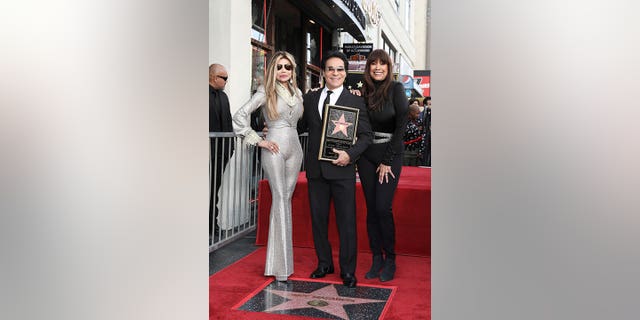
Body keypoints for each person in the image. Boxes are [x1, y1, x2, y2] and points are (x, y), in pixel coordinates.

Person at [298, 51, 373, 288]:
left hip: (342, 170)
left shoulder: (355, 101)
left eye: (340, 69)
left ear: (345, 72)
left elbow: (366, 136)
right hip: (316, 171)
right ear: (323, 72)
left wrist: (350, 154)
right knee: (319, 220)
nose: (335, 73)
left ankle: (348, 270)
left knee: (346, 222)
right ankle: (324, 263)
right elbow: (299, 126)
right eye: (331, 69)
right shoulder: (310, 99)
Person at [232, 51, 304, 283]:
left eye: (288, 67)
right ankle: (280, 267)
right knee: (280, 198)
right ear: (273, 69)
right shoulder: (266, 91)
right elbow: (240, 116)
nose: (284, 70)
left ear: (293, 70)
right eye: (279, 66)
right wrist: (258, 140)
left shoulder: (298, 93)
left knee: (285, 201)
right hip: (274, 148)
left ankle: (279, 263)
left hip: (295, 149)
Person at [358, 49, 409, 282]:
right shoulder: (365, 92)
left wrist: (387, 160)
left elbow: (401, 126)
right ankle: (376, 257)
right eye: (373, 64)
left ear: (389, 67)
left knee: (382, 208)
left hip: (390, 154)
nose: (378, 67)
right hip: (367, 156)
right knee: (371, 209)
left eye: (383, 64)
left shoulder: (396, 89)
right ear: (368, 68)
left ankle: (390, 259)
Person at [209, 63, 234, 236]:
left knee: (215, 188)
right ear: (213, 77)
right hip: (206, 153)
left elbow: (228, 122)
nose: (226, 81)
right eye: (224, 78)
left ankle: (212, 223)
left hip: (221, 152)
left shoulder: (224, 97)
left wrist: (230, 148)